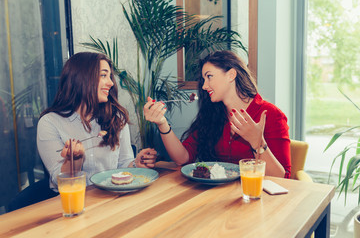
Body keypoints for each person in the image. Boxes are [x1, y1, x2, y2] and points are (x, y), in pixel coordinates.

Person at [144, 50, 291, 178]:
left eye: (209, 76)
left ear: (231, 75)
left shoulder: (271, 114)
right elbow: (182, 158)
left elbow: (282, 177)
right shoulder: (212, 114)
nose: (204, 86)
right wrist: (162, 123)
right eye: (203, 79)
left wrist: (258, 142)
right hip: (218, 197)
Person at [37, 52, 157, 191]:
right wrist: (74, 160)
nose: (111, 83)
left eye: (110, 76)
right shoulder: (49, 123)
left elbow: (123, 164)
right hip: (71, 205)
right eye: (103, 75)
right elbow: (60, 180)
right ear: (82, 78)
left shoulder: (117, 117)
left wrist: (137, 163)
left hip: (111, 199)